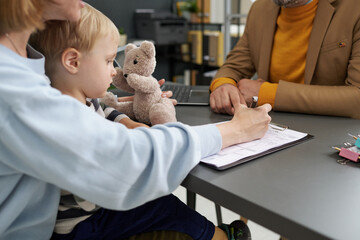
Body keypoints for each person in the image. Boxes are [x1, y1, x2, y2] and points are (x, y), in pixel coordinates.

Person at [0, 0, 271, 239]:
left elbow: (94, 116)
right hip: (80, 226)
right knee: (162, 205)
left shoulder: (37, 75)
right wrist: (233, 130)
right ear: (72, 62)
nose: (115, 70)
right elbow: (122, 165)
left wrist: (125, 120)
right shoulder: (13, 89)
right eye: (109, 61)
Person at [210, 0, 360, 119]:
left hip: (329, 134)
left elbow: (356, 99)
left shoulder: (354, 9)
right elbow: (234, 66)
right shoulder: (259, 9)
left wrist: (267, 93)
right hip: (271, 129)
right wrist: (224, 86)